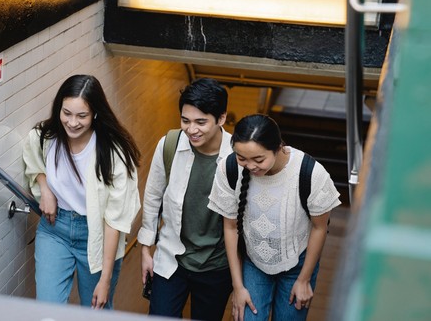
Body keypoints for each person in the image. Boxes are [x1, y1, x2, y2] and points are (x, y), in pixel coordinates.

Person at [22, 74, 141, 309]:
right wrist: (45, 187)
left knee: (94, 311)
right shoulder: (46, 136)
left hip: (97, 235)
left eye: (82, 116)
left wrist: (105, 280)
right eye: (67, 113)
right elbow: (32, 154)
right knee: (47, 310)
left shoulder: (114, 154)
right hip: (55, 229)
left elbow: (114, 221)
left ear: (95, 113)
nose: (73, 122)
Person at [207, 114, 341, 321]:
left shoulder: (310, 173)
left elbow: (319, 228)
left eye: (258, 159)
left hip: (298, 263)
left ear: (278, 147)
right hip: (254, 263)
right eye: (242, 158)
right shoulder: (230, 168)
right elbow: (230, 227)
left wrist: (304, 279)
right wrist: (238, 286)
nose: (250, 166)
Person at [138, 78, 234, 321]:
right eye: (185, 121)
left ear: (221, 118)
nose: (191, 129)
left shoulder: (236, 156)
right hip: (171, 260)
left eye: (201, 122)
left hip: (216, 266)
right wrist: (145, 250)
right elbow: (152, 196)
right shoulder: (169, 144)